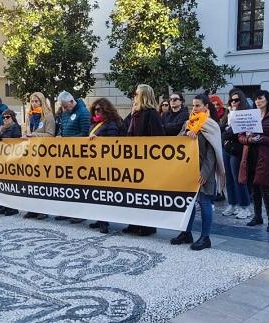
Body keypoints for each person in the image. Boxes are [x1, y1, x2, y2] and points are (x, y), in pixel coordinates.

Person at [170, 94, 225, 250]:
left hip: (203, 171)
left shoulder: (211, 125)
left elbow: (212, 152)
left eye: (198, 105)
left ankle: (205, 237)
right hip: (188, 169)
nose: (194, 108)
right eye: (193, 105)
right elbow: (177, 142)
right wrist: (186, 135)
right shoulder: (188, 123)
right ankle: (186, 233)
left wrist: (205, 173)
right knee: (188, 203)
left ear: (206, 107)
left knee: (205, 202)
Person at [122, 84, 164, 236]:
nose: (134, 96)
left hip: (146, 161)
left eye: (137, 93)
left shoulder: (151, 113)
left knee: (145, 195)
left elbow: (157, 138)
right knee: (133, 194)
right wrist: (131, 114)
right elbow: (124, 130)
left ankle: (148, 226)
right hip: (133, 160)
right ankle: (134, 223)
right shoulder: (136, 113)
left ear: (144, 95)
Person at [239, 90, 269, 232]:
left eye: (260, 98)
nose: (258, 101)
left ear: (267, 100)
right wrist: (249, 139)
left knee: (265, 188)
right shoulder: (250, 116)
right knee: (254, 188)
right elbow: (240, 136)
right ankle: (258, 216)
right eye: (256, 99)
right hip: (250, 155)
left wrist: (261, 139)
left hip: (266, 156)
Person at [87, 98, 124, 233]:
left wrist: (99, 141)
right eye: (95, 110)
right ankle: (99, 219)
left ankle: (105, 223)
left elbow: (113, 142)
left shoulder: (111, 123)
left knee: (104, 194)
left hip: (107, 164)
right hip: (95, 162)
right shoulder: (94, 123)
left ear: (106, 110)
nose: (96, 112)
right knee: (96, 194)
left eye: (99, 109)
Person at [54, 90, 90, 223]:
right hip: (66, 154)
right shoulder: (65, 112)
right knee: (66, 185)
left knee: (78, 186)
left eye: (65, 106)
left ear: (71, 101)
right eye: (62, 107)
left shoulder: (83, 113)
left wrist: (69, 140)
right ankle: (67, 210)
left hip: (78, 155)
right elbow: (62, 129)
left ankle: (79, 213)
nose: (64, 109)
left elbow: (85, 133)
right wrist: (59, 135)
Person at [22, 92, 56, 219]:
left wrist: (34, 135)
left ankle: (43, 209)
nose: (34, 103)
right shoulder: (29, 116)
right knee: (31, 183)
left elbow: (50, 135)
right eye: (32, 101)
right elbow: (26, 131)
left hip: (43, 154)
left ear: (42, 102)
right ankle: (32, 209)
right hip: (31, 153)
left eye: (36, 101)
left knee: (42, 183)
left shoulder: (48, 116)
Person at [222, 89, 252, 219]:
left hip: (238, 150)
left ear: (242, 100)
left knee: (238, 179)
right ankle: (232, 204)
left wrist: (227, 131)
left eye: (236, 100)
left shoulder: (245, 114)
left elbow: (233, 132)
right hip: (227, 149)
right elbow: (222, 128)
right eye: (231, 100)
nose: (234, 102)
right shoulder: (228, 113)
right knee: (228, 178)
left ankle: (245, 206)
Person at [0, 109, 22, 216]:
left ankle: (13, 207)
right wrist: (1, 130)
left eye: (7, 117)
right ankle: (5, 205)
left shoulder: (16, 127)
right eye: (3, 117)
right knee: (4, 184)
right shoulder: (2, 127)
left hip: (11, 160)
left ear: (12, 117)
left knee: (11, 184)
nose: (5, 119)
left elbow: (16, 141)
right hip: (2, 160)